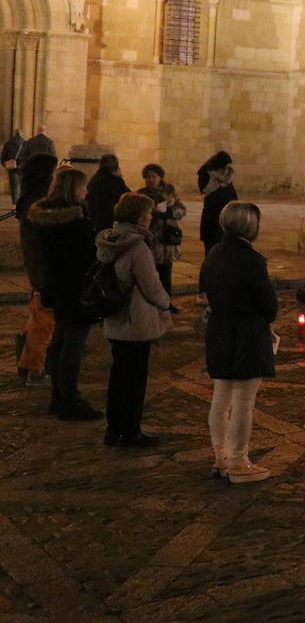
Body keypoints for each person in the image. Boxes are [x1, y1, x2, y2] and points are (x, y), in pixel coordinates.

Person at [202, 202, 277, 483]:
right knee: (244, 401)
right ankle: (238, 461)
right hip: (247, 334)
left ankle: (220, 457)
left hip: (220, 330)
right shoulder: (251, 260)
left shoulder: (215, 253)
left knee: (221, 397)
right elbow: (268, 305)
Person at [97, 193, 173, 447]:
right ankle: (131, 431)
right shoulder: (137, 246)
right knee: (135, 379)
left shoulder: (110, 238)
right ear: (140, 217)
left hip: (115, 320)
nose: (151, 218)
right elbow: (151, 286)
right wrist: (167, 304)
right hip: (137, 321)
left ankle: (113, 428)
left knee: (118, 376)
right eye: (148, 214)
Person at [30, 168, 100, 420]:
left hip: (56, 287)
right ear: (74, 189)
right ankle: (68, 400)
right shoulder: (76, 223)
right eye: (83, 187)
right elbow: (88, 259)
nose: (86, 191)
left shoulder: (46, 220)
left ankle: (58, 396)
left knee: (60, 340)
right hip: (78, 290)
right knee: (72, 347)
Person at [16, 153, 59, 385]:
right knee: (44, 319)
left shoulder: (30, 197)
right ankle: (34, 368)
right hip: (43, 266)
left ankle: (28, 363)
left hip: (38, 264)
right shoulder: (38, 201)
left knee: (39, 315)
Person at [138, 164, 185, 301]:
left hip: (166, 240)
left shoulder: (169, 193)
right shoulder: (141, 194)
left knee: (166, 274)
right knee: (149, 274)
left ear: (160, 178)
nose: (150, 179)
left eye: (153, 176)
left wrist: (170, 213)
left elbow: (181, 210)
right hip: (150, 239)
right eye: (147, 177)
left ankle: (167, 302)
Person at [198, 152, 237, 257]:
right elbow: (205, 191)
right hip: (212, 219)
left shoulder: (228, 179)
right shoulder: (206, 174)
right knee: (211, 252)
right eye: (224, 167)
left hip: (226, 220)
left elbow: (233, 197)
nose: (226, 170)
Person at [86, 153, 132, 233]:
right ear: (115, 167)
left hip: (95, 219)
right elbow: (129, 197)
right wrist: (120, 177)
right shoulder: (114, 181)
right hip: (110, 220)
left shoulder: (94, 180)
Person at [2, 128, 23, 202]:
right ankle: (21, 203)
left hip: (12, 167)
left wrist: (5, 164)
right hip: (22, 167)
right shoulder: (25, 142)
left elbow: (3, 155)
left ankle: (15, 203)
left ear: (15, 133)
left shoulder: (8, 143)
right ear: (21, 134)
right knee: (22, 185)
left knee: (14, 186)